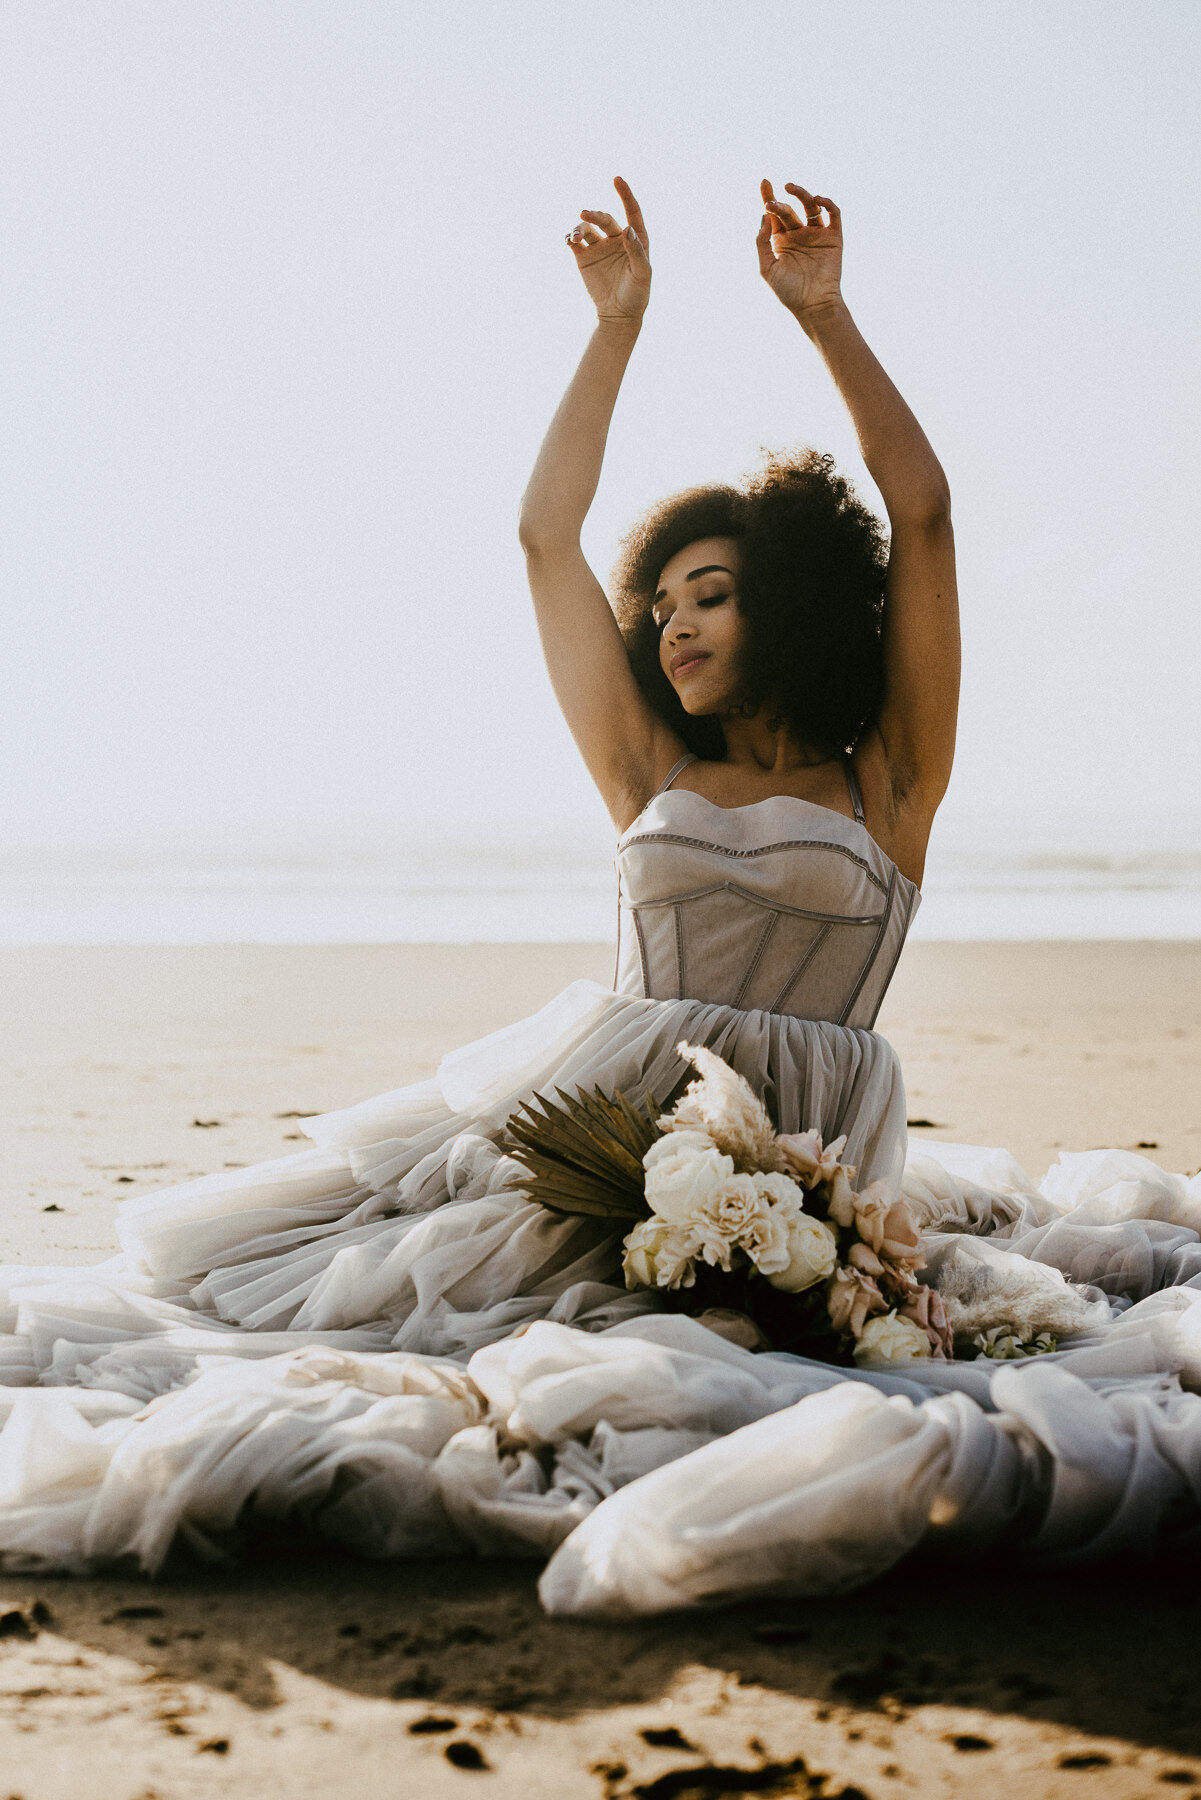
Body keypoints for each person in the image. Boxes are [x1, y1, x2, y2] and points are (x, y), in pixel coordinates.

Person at [0, 181, 1198, 1611]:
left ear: (794, 606)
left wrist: (822, 314)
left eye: (711, 593)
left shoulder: (888, 783)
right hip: (592, 1139)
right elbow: (541, 537)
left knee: (775, 1354)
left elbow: (924, 514)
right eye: (664, 604)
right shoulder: (643, 763)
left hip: (805, 1156)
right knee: (434, 1327)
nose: (673, 624)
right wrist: (614, 329)